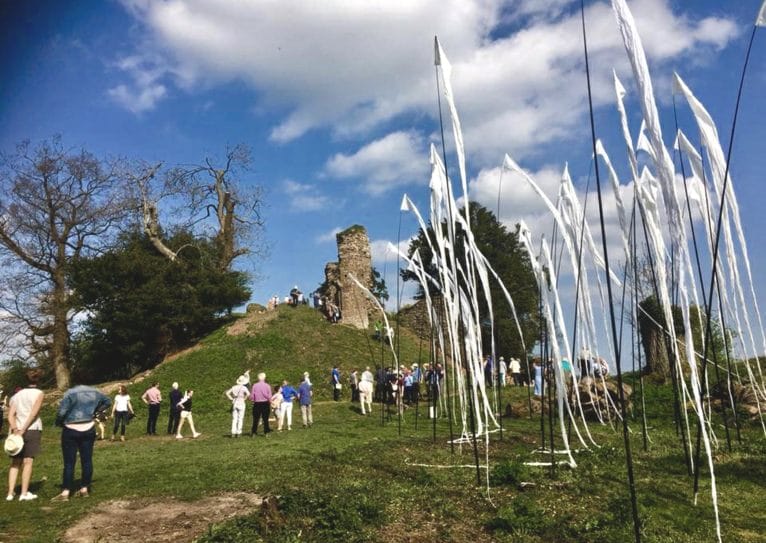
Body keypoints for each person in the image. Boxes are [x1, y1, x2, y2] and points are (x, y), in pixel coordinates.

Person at [51, 384, 111, 501]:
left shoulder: (70, 393)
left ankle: (66, 492)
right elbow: (108, 401)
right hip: (89, 427)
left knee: (69, 462)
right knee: (87, 460)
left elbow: (62, 411)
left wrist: (59, 422)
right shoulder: (95, 391)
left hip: (71, 428)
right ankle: (84, 489)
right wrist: (95, 411)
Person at [6, 368, 44, 502]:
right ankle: (24, 492)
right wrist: (24, 428)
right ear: (38, 379)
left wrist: (16, 428)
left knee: (15, 462)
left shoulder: (17, 395)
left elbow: (10, 415)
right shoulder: (39, 393)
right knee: (28, 461)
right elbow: (33, 413)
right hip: (32, 429)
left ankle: (10, 493)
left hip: (16, 430)